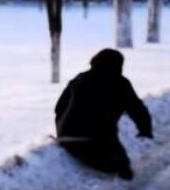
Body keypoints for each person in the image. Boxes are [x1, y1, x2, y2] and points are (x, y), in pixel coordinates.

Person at [55, 49, 153, 180]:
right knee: (122, 168)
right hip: (98, 139)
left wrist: (62, 129)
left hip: (66, 138)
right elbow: (136, 108)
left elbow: (59, 107)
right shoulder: (120, 83)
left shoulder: (79, 79)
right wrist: (145, 129)